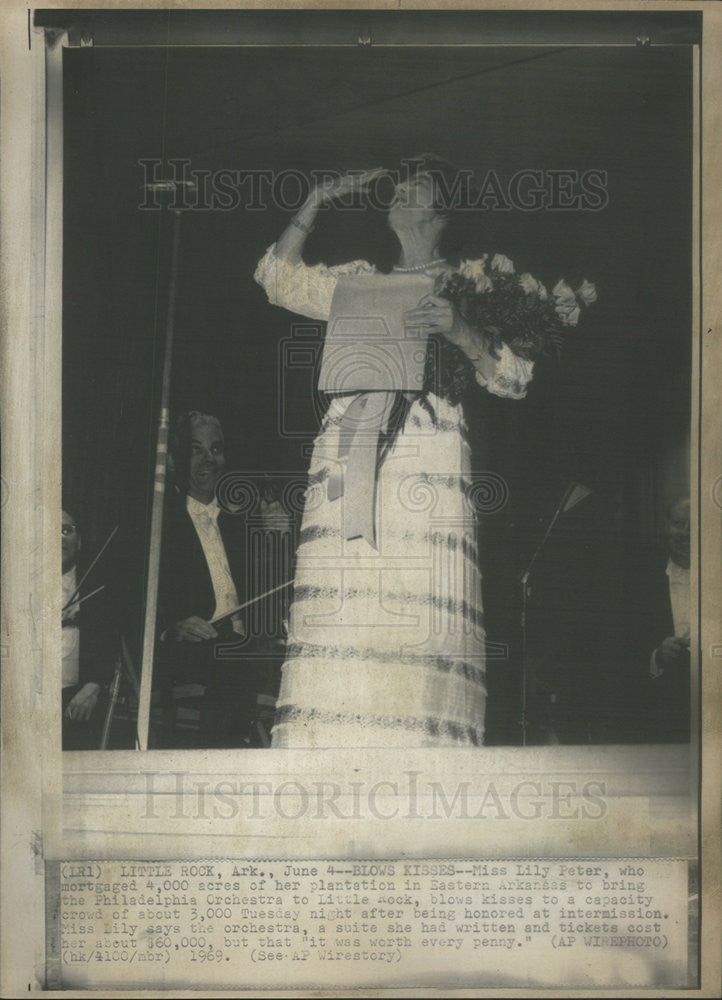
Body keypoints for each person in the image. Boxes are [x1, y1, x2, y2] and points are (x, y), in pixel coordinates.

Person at [254, 156, 535, 748]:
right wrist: (318, 196)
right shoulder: (360, 279)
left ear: (442, 212)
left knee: (410, 602)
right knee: (342, 601)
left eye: (413, 187)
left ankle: (420, 758)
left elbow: (516, 378)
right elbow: (277, 280)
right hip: (345, 452)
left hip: (423, 460)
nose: (398, 192)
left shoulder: (473, 286)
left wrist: (459, 329)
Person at [153, 411, 288, 747]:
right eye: (196, 449)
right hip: (188, 651)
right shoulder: (159, 522)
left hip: (246, 648)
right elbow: (133, 597)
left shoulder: (239, 520)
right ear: (175, 459)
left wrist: (279, 537)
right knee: (232, 654)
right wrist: (173, 625)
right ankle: (227, 754)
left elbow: (271, 589)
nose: (208, 459)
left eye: (216, 450)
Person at [62, 507, 118, 749]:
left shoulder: (99, 591)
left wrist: (93, 686)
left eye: (67, 530)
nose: (60, 538)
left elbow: (110, 642)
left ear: (80, 541)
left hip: (75, 696)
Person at [646, 497, 691, 741]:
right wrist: (657, 656)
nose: (685, 533)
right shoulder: (641, 579)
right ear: (666, 527)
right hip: (663, 712)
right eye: (678, 524)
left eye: (694, 525)